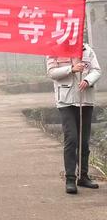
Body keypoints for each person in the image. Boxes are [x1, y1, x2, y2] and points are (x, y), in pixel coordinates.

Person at [46, 42, 102, 194]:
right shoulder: (54, 49)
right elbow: (51, 73)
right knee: (71, 139)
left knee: (84, 140)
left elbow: (97, 70)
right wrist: (71, 69)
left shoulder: (87, 49)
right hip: (66, 101)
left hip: (85, 99)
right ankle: (70, 178)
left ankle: (83, 176)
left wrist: (87, 80)